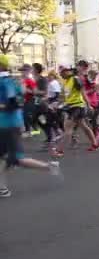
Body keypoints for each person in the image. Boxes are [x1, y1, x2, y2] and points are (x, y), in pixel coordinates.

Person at [0, 54, 61, 198]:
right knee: (4, 158)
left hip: (8, 125)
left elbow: (14, 103)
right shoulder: (11, 81)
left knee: (17, 159)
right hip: (6, 125)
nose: (22, 72)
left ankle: (49, 166)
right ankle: (2, 188)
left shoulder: (6, 81)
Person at [51, 66, 98, 157]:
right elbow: (65, 96)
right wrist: (58, 104)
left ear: (67, 71)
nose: (60, 75)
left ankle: (59, 150)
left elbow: (83, 93)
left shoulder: (75, 79)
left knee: (68, 128)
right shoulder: (66, 82)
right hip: (70, 107)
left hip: (77, 107)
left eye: (62, 73)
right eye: (60, 73)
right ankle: (95, 143)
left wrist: (89, 105)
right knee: (83, 126)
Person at [18, 64, 39, 137]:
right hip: (24, 101)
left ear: (28, 71)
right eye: (21, 71)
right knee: (24, 116)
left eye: (24, 71)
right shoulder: (21, 80)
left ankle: (32, 131)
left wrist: (27, 90)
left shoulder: (30, 80)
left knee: (27, 116)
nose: (22, 73)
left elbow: (35, 91)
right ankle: (30, 131)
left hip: (30, 100)